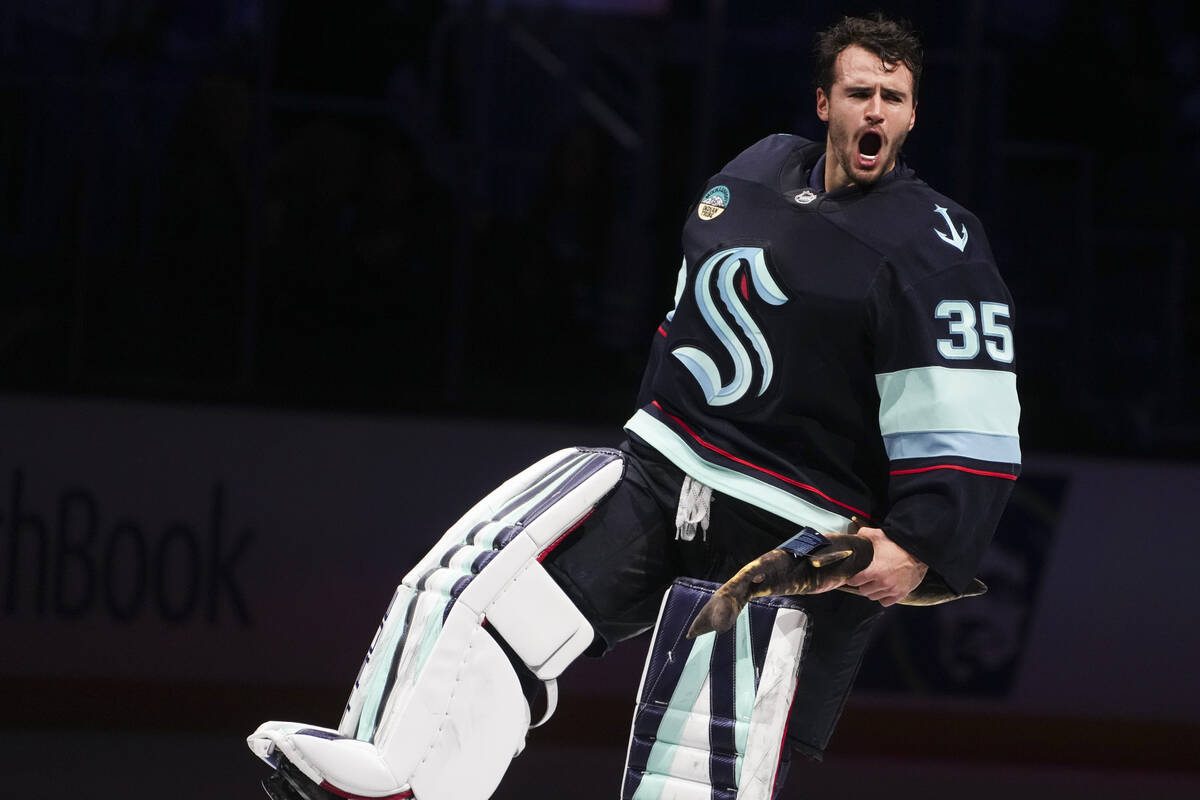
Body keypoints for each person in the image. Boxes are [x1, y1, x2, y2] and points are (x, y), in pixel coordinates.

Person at [248, 13, 1020, 800]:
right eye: (861, 91)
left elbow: (971, 410)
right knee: (492, 613)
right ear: (824, 102)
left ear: (914, 113)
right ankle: (401, 783)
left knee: (692, 770)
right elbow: (689, 312)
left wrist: (922, 543)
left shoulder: (937, 244)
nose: (877, 111)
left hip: (787, 526)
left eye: (895, 96)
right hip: (663, 475)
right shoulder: (756, 169)